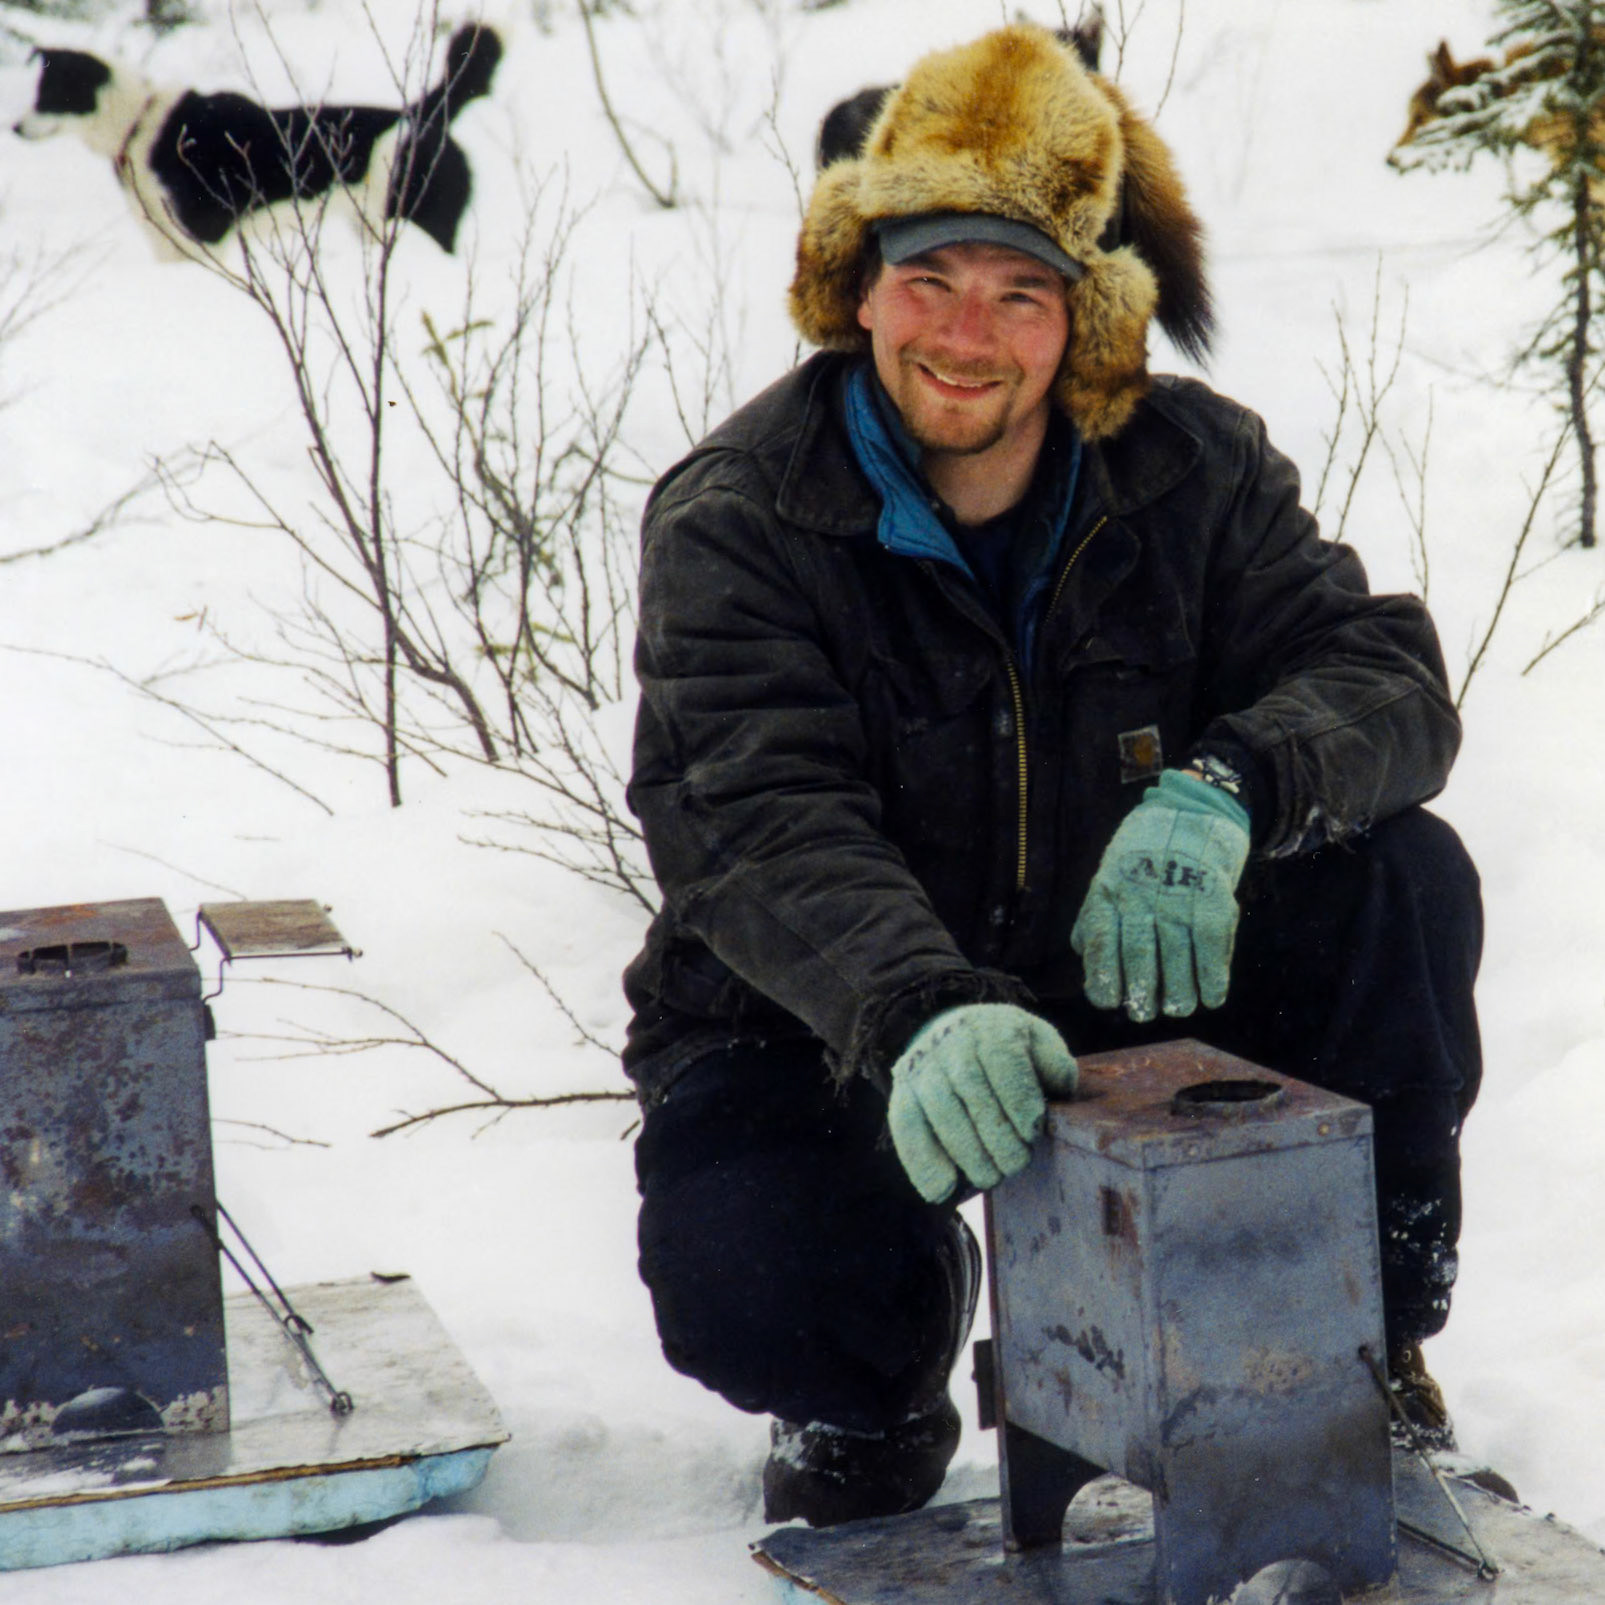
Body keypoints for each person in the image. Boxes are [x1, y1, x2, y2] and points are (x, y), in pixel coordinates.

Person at [623, 24, 1482, 1527]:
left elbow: (1384, 678)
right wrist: (912, 1000)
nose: (966, 333)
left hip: (1127, 975)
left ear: (1080, 316)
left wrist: (1226, 790)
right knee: (755, 1276)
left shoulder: (1190, 469)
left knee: (1396, 877)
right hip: (838, 1020)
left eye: (1020, 291)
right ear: (856, 284)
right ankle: (872, 1382)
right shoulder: (740, 513)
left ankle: (1354, 1333)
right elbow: (751, 817)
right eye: (927, 279)